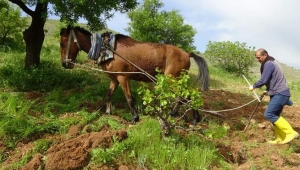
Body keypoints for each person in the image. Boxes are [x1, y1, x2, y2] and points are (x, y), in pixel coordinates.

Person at [249, 48, 299, 144]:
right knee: (275, 116)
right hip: (278, 92)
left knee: (269, 114)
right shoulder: (272, 62)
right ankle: (280, 138)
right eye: (256, 58)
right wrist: (268, 91)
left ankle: (291, 133)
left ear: (265, 55)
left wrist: (254, 86)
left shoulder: (269, 64)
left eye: (259, 57)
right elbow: (273, 80)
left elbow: (264, 80)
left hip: (280, 93)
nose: (258, 60)